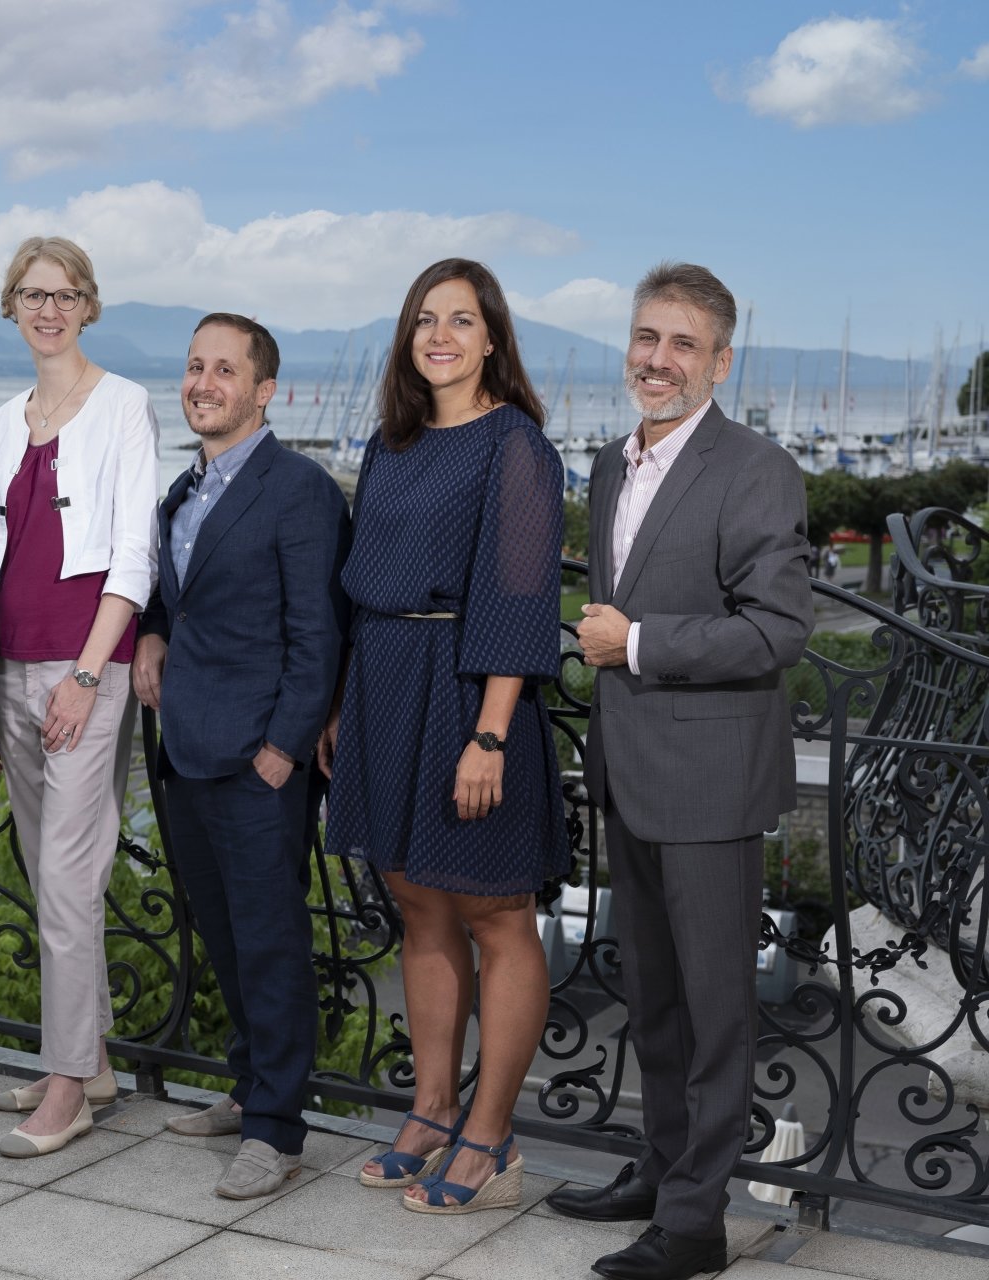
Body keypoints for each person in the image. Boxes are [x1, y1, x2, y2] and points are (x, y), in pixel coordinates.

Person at [553, 263, 810, 1280]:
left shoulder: (757, 468)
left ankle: (697, 1221)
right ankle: (660, 1171)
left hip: (710, 783)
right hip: (631, 770)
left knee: (713, 1009)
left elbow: (778, 630)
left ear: (720, 361)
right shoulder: (612, 464)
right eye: (646, 337)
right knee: (654, 999)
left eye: (682, 344)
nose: (657, 359)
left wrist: (642, 641)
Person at [320, 258, 568, 1215]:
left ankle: (492, 1135)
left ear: (493, 339)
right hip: (384, 689)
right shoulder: (392, 444)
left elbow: (519, 598)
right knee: (417, 906)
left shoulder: (517, 447)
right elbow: (360, 586)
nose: (441, 336)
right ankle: (429, 1111)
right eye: (426, 319)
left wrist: (492, 736)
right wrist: (344, 703)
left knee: (496, 915)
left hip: (468, 694)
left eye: (461, 320)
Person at [133, 313, 351, 1199]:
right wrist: (149, 634)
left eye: (225, 369)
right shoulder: (181, 491)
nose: (204, 383)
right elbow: (172, 597)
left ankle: (278, 1129)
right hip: (186, 753)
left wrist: (281, 753)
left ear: (265, 391)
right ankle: (250, 1083)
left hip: (258, 761)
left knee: (269, 942)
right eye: (194, 366)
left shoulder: (298, 489)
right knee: (223, 935)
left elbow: (317, 636)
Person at [0, 236, 160, 1156]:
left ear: (89, 305)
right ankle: (89, 1064)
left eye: (65, 294)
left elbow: (134, 555)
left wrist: (89, 675)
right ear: (11, 307)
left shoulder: (124, 405)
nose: (48, 309)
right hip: (11, 666)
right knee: (51, 872)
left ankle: (66, 1090)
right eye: (31, 294)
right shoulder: (7, 417)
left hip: (86, 669)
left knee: (68, 883)